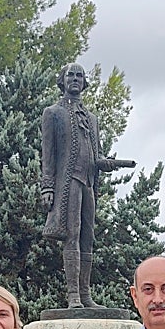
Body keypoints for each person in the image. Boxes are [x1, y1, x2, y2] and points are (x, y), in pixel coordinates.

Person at [40, 62, 134, 308]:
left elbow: (96, 155)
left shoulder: (92, 118)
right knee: (71, 234)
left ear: (84, 82)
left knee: (87, 237)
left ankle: (85, 294)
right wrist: (47, 187)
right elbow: (47, 156)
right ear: (62, 80)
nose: (75, 79)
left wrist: (108, 163)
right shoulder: (53, 113)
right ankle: (73, 296)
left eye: (79, 75)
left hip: (88, 183)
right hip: (67, 183)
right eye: (70, 75)